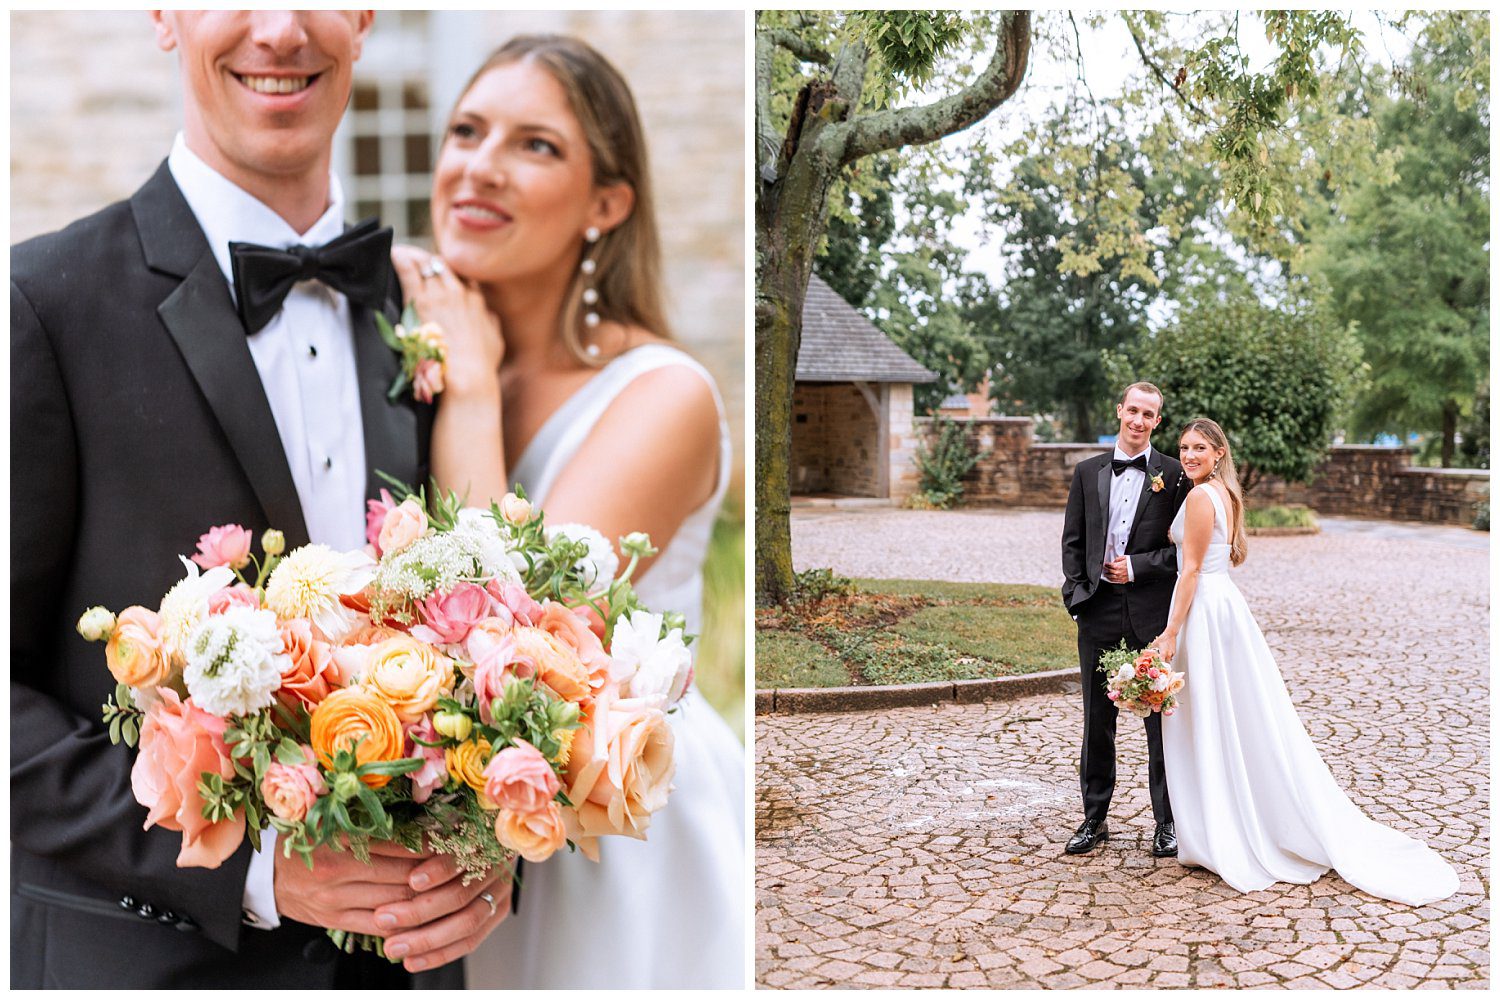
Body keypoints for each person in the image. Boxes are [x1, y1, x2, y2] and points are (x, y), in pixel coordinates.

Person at [11, 11, 504, 987]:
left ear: (364, 19)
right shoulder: (42, 302)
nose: (279, 30)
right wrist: (259, 867)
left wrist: (485, 864)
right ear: (164, 15)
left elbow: (477, 645)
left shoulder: (427, 317)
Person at [388, 35, 746, 988]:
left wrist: (468, 394)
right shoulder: (397, 365)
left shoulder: (664, 394)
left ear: (607, 204)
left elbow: (504, 633)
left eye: (534, 145)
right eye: (467, 130)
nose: (480, 166)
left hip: (617, 839)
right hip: (455, 834)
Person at [1152, 418, 1459, 904]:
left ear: (1218, 453)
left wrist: (1169, 632)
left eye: (1198, 448)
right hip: (1226, 607)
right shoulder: (1226, 495)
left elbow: (1188, 570)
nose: (1188, 455)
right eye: (1183, 447)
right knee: (1237, 715)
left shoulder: (1197, 498)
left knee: (1209, 716)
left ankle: (1220, 834)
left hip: (1205, 613)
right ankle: (1226, 818)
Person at [1060, 382, 1191, 858]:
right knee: (1098, 721)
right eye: (1132, 410)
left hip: (1150, 614)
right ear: (1120, 411)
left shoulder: (1175, 476)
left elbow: (1185, 553)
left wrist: (1138, 566)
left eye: (1148, 414)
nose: (1138, 420)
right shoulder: (1087, 472)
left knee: (1162, 722)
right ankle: (1094, 819)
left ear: (1158, 421)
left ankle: (1169, 822)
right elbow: (1073, 541)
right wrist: (1078, 597)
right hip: (1097, 611)